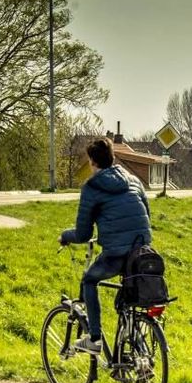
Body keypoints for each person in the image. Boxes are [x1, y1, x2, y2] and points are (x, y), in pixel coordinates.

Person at [60, 138, 152, 354]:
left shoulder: (92, 187)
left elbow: (83, 234)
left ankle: (94, 338)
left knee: (89, 280)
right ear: (113, 158)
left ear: (92, 162)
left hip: (117, 253)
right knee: (128, 298)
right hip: (142, 251)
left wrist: (65, 236)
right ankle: (136, 345)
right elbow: (146, 213)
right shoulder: (133, 180)